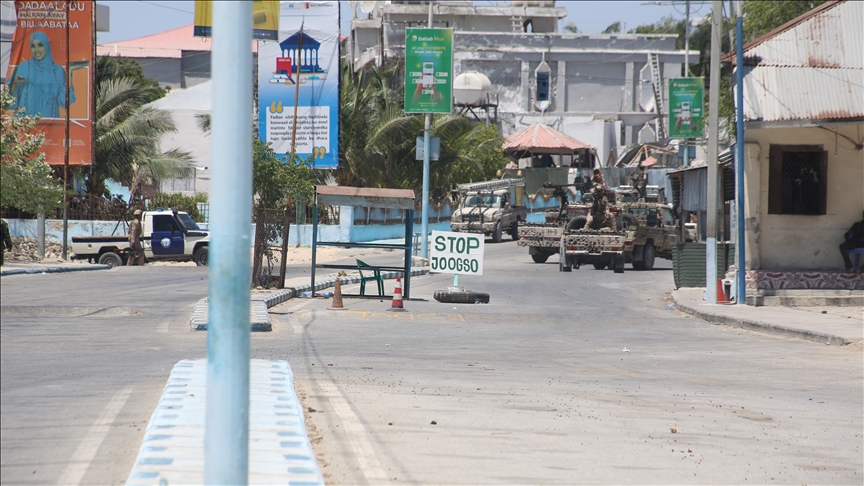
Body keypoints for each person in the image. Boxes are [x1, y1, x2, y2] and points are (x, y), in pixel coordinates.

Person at [6, 31, 75, 118]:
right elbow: (8, 101)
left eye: (40, 45)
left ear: (47, 46)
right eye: (33, 46)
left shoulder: (58, 70)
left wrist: (69, 76)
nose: (36, 50)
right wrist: (14, 83)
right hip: (24, 125)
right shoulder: (24, 67)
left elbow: (64, 102)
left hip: (50, 124)